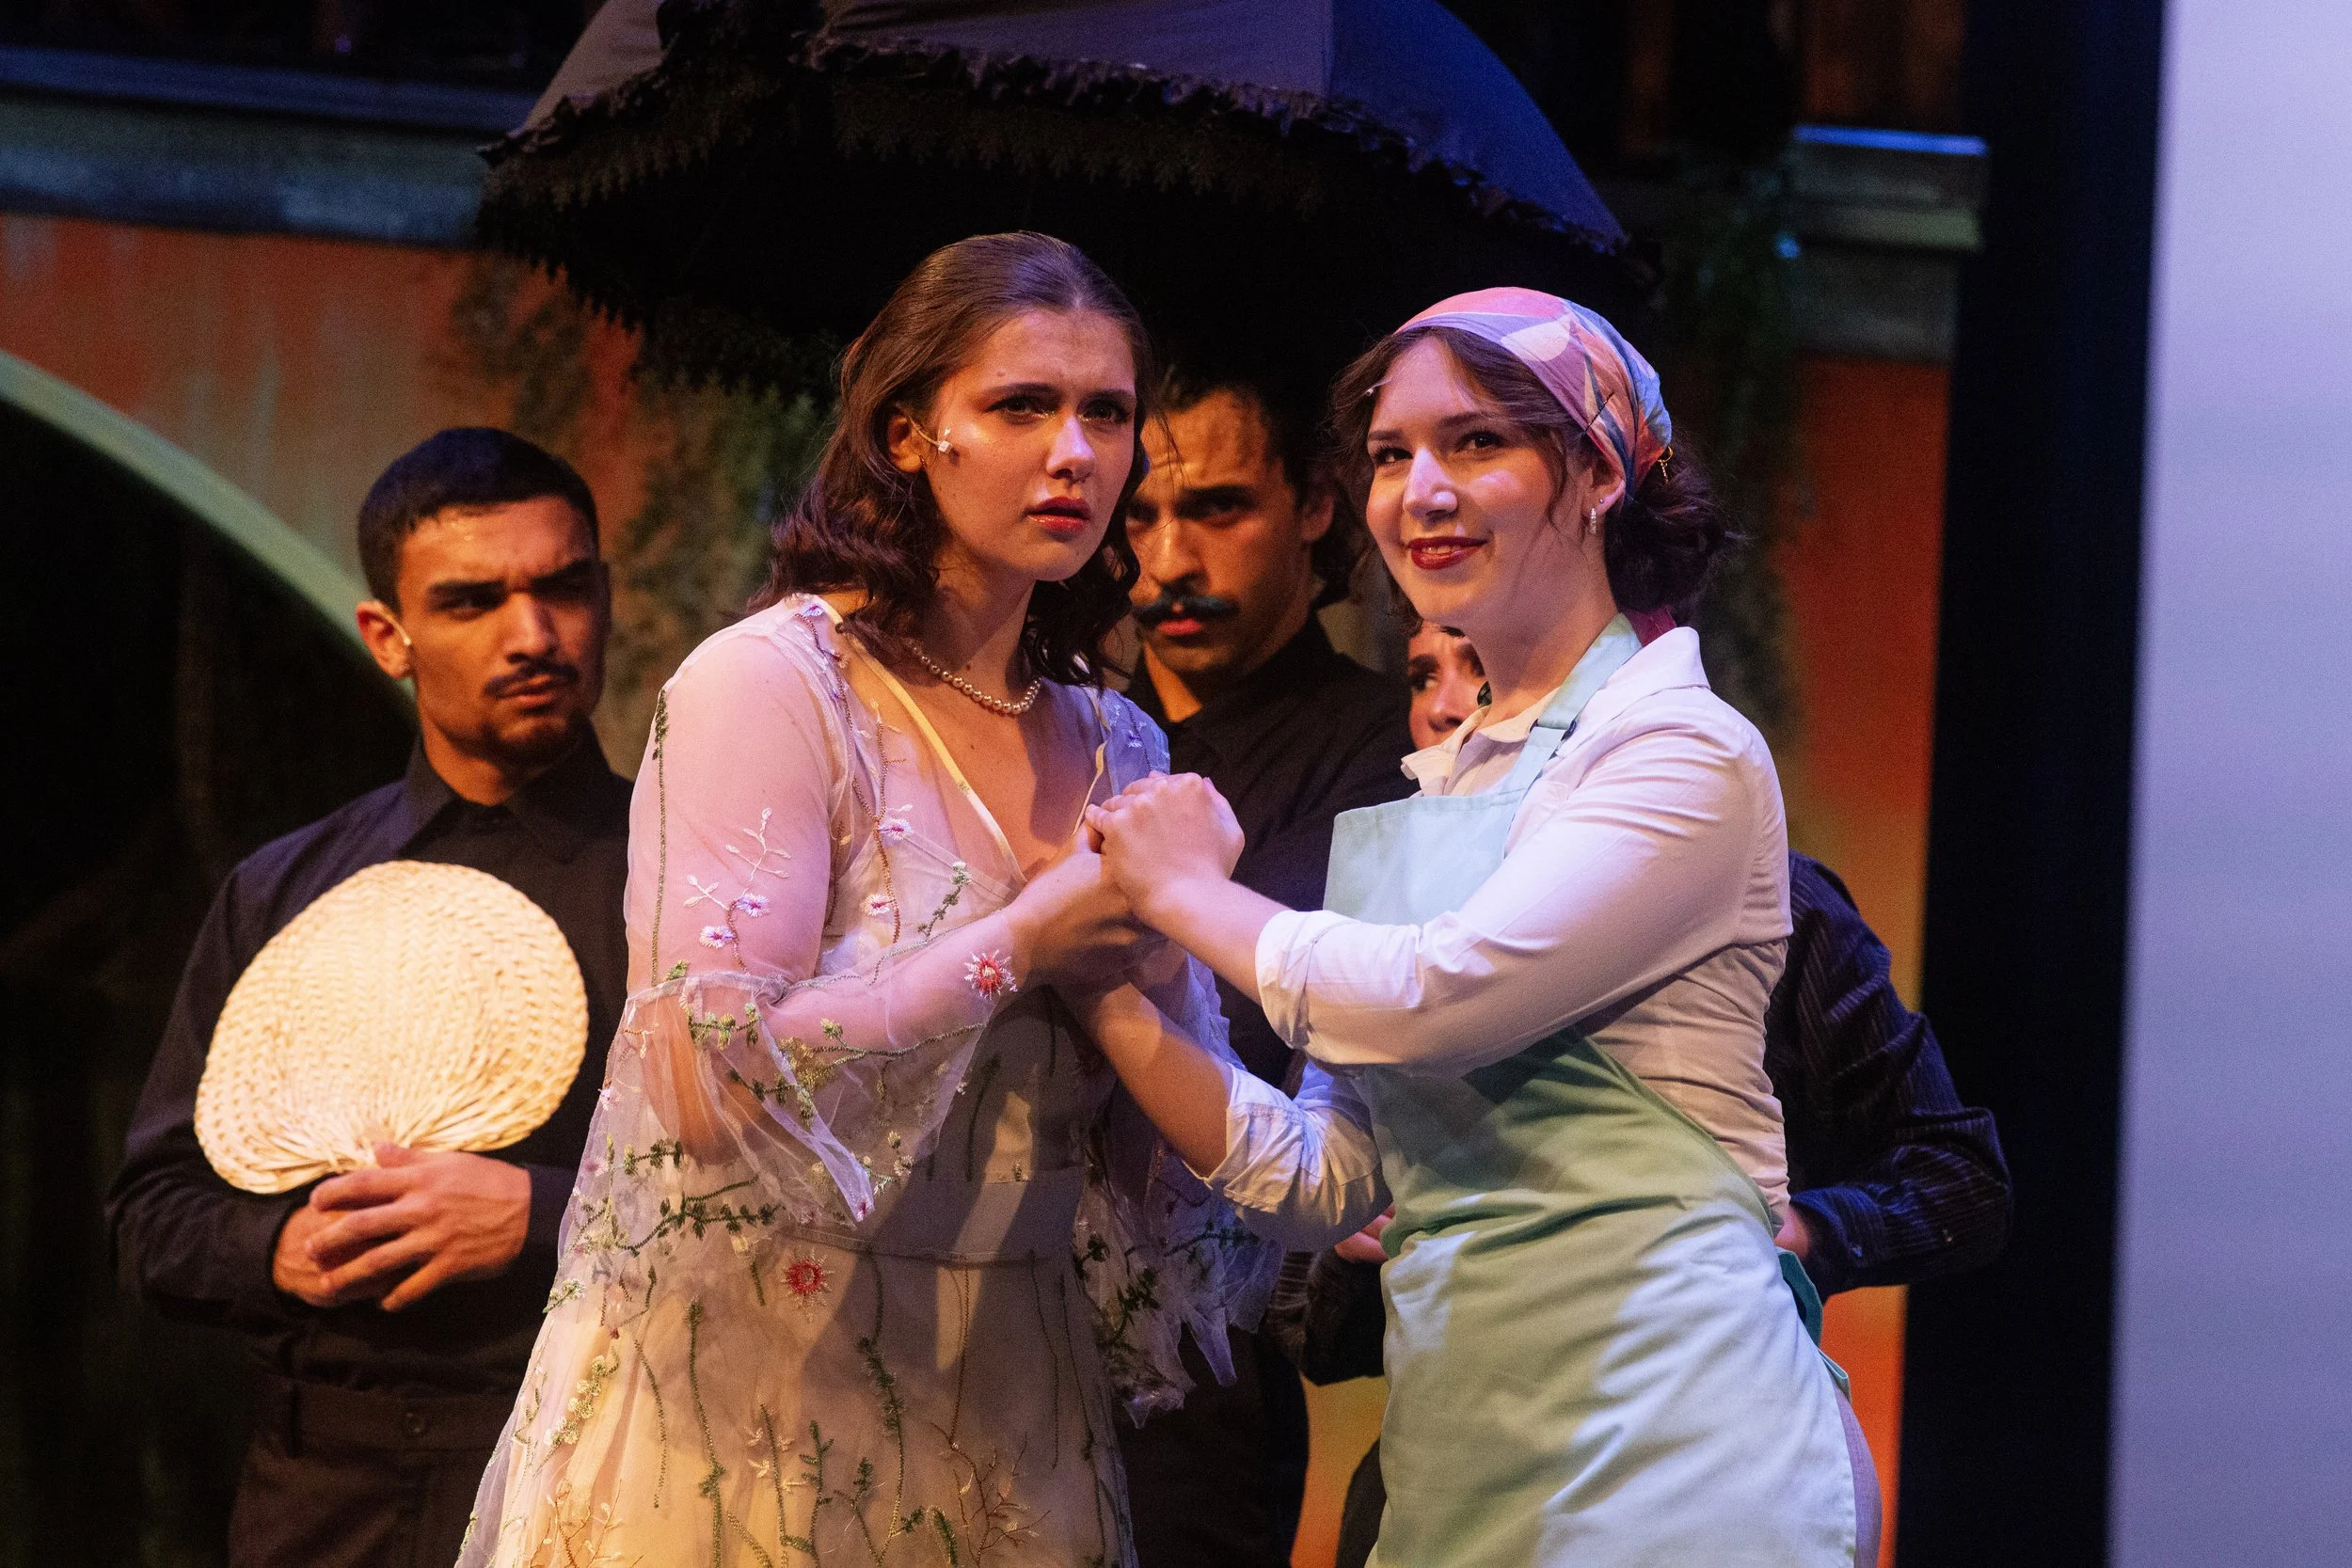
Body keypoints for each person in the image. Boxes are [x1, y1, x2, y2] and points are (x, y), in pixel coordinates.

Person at [457, 232, 1275, 1568]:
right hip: (769, 1374)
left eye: (1108, 413)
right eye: (1023, 405)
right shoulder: (777, 684)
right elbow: (701, 1079)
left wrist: (1156, 980)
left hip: (1017, 1372)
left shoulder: (1123, 742)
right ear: (910, 431)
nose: (1074, 451)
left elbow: (1148, 1177)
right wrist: (1020, 941)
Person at [1079, 288, 1878, 1565]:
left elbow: (1427, 994)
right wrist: (1110, 992)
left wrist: (1188, 892)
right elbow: (1321, 1174)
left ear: (1601, 469)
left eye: (1476, 443)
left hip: (1674, 1450)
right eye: (1393, 453)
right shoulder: (1432, 796)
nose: (1420, 489)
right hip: (1470, 1457)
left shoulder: (1679, 746)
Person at [1298, 618, 2014, 1568]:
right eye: (1425, 670)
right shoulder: (1389, 943)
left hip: (1696, 1458)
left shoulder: (1770, 911)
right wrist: (1359, 1241)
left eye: (1486, 664)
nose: (1442, 701)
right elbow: (1314, 1328)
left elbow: (1963, 1178)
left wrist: (1797, 1230)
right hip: (1457, 1468)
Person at [106, 429, 633, 1568]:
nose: (532, 634)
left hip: (597, 1462)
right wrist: (275, 1245)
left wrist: (545, 1211)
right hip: (318, 1485)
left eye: (562, 586)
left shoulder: (693, 876)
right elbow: (150, 1213)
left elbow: (795, 1202)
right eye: (473, 600)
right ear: (387, 637)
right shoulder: (285, 887)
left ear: (604, 594)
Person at [1116, 364, 1413, 1567]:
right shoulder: (1056, 727)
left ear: (1318, 503)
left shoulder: (1395, 748)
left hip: (1212, 1364)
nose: (1167, 559)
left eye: (1217, 508)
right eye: (1138, 516)